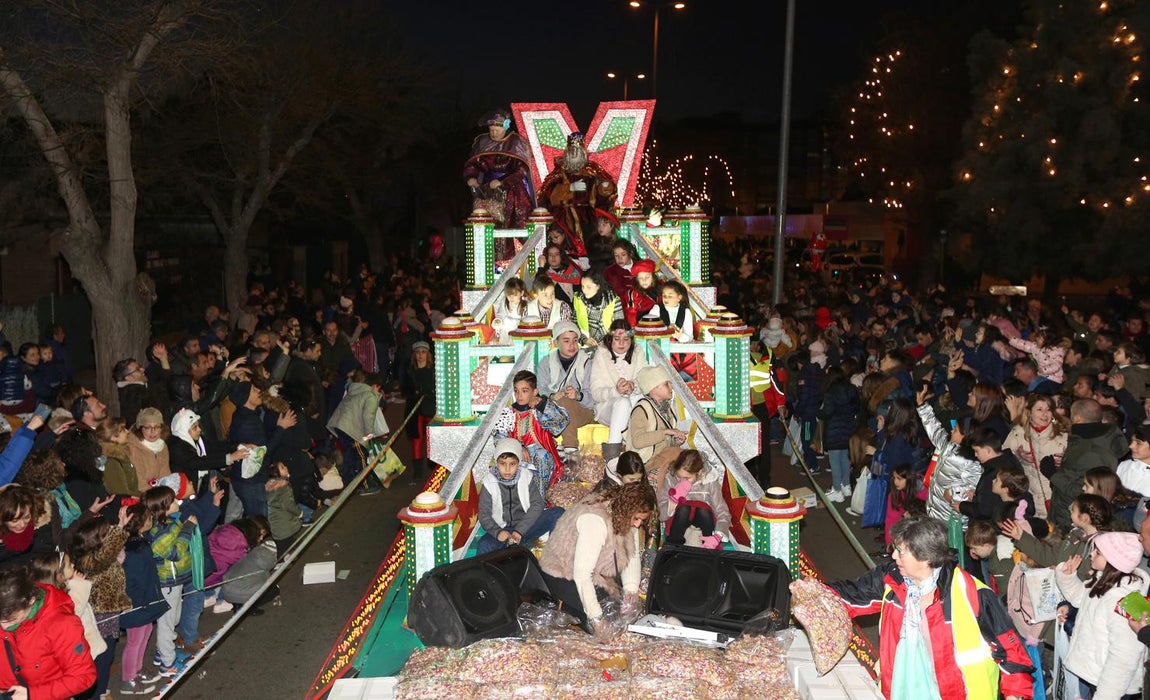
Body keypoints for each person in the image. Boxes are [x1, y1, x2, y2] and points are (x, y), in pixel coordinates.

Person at [827, 516, 1034, 700]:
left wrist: (1015, 695)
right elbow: (852, 594)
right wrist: (811, 589)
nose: (894, 557)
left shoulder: (974, 594)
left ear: (925, 558)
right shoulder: (892, 578)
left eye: (901, 552)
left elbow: (1013, 653)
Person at [538, 482, 654, 632]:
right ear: (627, 509)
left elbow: (631, 554)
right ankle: (565, 607)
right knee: (602, 619)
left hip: (597, 572)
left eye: (642, 521)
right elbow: (582, 574)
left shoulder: (624, 515)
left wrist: (630, 591)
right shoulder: (594, 520)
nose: (638, 525)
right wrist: (596, 619)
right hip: (562, 573)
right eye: (636, 518)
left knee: (622, 610)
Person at [1054, 532, 1148, 699]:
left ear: (1113, 559)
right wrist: (1067, 576)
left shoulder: (1123, 600)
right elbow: (1081, 598)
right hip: (1097, 674)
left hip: (1115, 687)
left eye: (1097, 552)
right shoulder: (1105, 582)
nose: (1091, 554)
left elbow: (1123, 658)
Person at [0, 562, 96, 700]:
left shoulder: (62, 624)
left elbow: (83, 676)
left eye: (10, 620)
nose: (2, 626)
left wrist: (33, 695)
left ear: (31, 601)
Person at [1047, 399, 1126, 533]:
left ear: (1077, 418)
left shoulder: (1093, 449)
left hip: (1075, 519)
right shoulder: (1090, 439)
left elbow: (1083, 491)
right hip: (1069, 513)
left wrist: (1053, 474)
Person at [476, 438, 563, 555]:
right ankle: (491, 570)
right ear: (496, 463)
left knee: (558, 513)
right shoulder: (489, 482)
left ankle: (553, 558)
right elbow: (484, 514)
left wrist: (519, 531)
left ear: (519, 463)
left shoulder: (526, 477)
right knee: (484, 545)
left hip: (526, 527)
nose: (507, 469)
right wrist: (498, 533)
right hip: (503, 531)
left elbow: (538, 504)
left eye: (512, 464)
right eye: (502, 464)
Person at [538, 131, 618, 258]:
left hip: (588, 216)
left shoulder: (593, 171)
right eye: (572, 150)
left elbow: (605, 196)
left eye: (577, 150)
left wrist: (604, 187)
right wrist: (569, 188)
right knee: (565, 244)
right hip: (564, 215)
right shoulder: (559, 172)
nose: (574, 154)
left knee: (592, 244)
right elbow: (548, 195)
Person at [492, 371, 570, 497]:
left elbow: (560, 423)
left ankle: (539, 500)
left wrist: (542, 404)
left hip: (542, 459)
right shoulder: (508, 414)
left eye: (524, 391)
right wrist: (517, 447)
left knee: (541, 455)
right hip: (517, 458)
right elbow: (499, 439)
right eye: (516, 391)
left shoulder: (539, 409)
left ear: (534, 392)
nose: (519, 395)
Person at [118, 502, 168, 694]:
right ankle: (127, 679)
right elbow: (133, 579)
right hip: (136, 602)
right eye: (148, 518)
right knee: (135, 640)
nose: (152, 520)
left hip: (145, 599)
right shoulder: (131, 548)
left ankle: (137, 670)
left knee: (145, 633)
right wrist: (141, 600)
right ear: (139, 523)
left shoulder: (140, 540)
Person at [588, 321, 650, 462]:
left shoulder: (638, 352)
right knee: (622, 402)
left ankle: (629, 454)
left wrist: (633, 386)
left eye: (626, 339)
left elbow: (645, 381)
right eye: (617, 339)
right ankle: (613, 457)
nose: (621, 343)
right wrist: (615, 391)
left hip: (633, 403)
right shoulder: (601, 354)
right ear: (610, 340)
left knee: (641, 400)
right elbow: (596, 393)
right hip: (607, 407)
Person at [463, 107, 535, 229]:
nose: (493, 133)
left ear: (505, 128)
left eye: (497, 130)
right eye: (491, 130)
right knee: (488, 223)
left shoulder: (516, 142)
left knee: (517, 222)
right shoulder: (482, 141)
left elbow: (522, 170)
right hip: (486, 189)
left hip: (513, 189)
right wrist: (471, 177)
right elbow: (472, 164)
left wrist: (503, 182)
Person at [1003, 393, 1068, 520]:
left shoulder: (1063, 435)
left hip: (1056, 498)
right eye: (1039, 409)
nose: (1045, 414)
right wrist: (1018, 456)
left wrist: (1065, 462)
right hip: (1029, 499)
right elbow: (1004, 463)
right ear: (1029, 412)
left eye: (1048, 410)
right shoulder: (1018, 433)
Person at [536, 321, 595, 449]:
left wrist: (578, 396)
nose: (572, 345)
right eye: (566, 341)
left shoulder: (586, 363)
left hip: (582, 411)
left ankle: (570, 447)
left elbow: (593, 398)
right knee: (560, 402)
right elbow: (540, 388)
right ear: (556, 343)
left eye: (575, 340)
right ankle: (564, 449)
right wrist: (552, 396)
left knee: (566, 402)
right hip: (553, 412)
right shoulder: (546, 362)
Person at [655, 449, 730, 548]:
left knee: (703, 510)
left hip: (703, 522)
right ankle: (673, 547)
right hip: (678, 522)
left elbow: (722, 512)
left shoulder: (710, 482)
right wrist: (672, 502)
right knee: (684, 509)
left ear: (699, 472)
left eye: (687, 478)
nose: (682, 480)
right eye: (679, 476)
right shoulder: (671, 480)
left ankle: (708, 548)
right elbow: (660, 516)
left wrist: (718, 535)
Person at [625, 366, 688, 467]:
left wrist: (675, 442)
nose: (671, 387)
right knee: (677, 455)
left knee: (689, 458)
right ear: (652, 389)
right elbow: (637, 441)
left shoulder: (666, 407)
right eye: (667, 384)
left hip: (660, 458)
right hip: (643, 463)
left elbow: (662, 444)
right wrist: (666, 432)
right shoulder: (641, 409)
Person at [821, 365, 860, 502]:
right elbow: (857, 407)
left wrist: (819, 413)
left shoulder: (830, 392)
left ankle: (836, 489)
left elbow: (828, 412)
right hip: (848, 427)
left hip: (834, 429)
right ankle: (846, 485)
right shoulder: (852, 390)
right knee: (845, 457)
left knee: (834, 460)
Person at [401, 342, 436, 486]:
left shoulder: (433, 370)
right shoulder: (409, 371)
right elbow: (404, 389)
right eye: (418, 352)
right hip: (414, 410)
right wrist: (413, 393)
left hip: (430, 408)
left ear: (428, 355)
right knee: (416, 440)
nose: (420, 355)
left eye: (423, 352)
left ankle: (434, 467)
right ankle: (417, 473)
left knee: (432, 439)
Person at [573, 270, 623, 347]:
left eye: (588, 287)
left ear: (598, 286)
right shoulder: (578, 299)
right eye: (582, 286)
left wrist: (608, 341)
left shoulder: (613, 300)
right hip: (584, 346)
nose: (584, 290)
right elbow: (573, 324)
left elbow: (619, 326)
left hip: (609, 345)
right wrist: (584, 340)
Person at [884, 462, 925, 546]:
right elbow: (891, 519)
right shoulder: (895, 494)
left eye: (899, 479)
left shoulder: (924, 490)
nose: (895, 482)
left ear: (909, 478)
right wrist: (890, 542)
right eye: (894, 478)